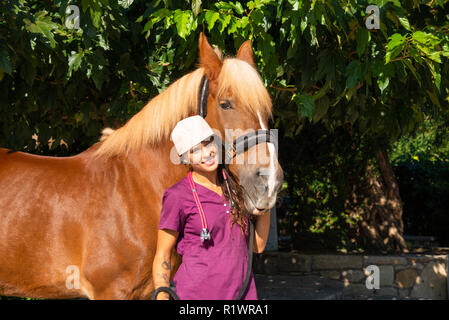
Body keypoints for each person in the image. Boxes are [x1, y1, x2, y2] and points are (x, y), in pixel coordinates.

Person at [152, 115, 271, 300]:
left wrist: (266, 206)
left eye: (208, 144)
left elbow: (257, 247)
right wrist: (161, 298)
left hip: (243, 295)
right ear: (185, 159)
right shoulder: (177, 196)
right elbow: (163, 254)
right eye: (195, 150)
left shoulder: (235, 188)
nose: (206, 153)